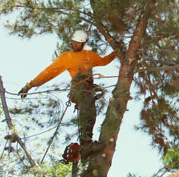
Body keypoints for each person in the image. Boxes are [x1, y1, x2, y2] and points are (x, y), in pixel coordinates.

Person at [19, 30, 117, 159]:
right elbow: (48, 73)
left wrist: (116, 52)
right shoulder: (66, 57)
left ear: (84, 43)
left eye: (78, 43)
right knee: (86, 113)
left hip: (88, 89)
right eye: (74, 42)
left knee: (91, 114)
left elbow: (103, 61)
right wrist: (30, 85)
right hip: (79, 89)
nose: (75, 45)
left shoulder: (90, 55)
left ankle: (87, 145)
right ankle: (86, 145)